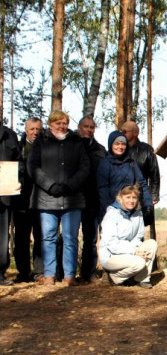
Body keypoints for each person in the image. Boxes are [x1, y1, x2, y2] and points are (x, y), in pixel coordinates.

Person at [28, 111, 90, 286]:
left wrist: (70, 185)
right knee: (48, 238)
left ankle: (69, 275)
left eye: (65, 123)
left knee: (70, 238)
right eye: (58, 123)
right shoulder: (41, 142)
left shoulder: (76, 142)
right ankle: (49, 274)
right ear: (50, 125)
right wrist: (50, 186)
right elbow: (32, 167)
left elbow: (85, 167)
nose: (62, 126)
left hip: (73, 199)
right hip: (46, 199)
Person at [99, 185, 157, 288]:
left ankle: (142, 279)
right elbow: (111, 243)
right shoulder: (112, 214)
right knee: (139, 262)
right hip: (111, 255)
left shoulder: (138, 214)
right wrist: (134, 251)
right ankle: (115, 277)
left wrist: (137, 250)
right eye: (128, 197)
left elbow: (138, 236)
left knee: (152, 244)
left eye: (134, 197)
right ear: (120, 198)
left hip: (130, 251)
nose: (131, 201)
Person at [96, 131, 152, 222]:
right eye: (117, 144)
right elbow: (102, 189)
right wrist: (109, 209)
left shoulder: (131, 163)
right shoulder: (105, 163)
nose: (120, 147)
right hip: (111, 210)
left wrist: (148, 204)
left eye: (123, 144)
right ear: (111, 145)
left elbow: (142, 183)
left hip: (130, 208)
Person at [13, 117, 43, 283]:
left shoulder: (46, 147)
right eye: (32, 129)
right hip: (22, 199)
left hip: (41, 199)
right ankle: (23, 272)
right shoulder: (18, 149)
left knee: (41, 236)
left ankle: (39, 272)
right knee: (22, 237)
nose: (35, 132)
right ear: (26, 130)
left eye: (38, 129)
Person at [77, 116, 106, 282]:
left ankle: (89, 272)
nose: (89, 130)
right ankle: (64, 272)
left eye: (92, 127)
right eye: (86, 126)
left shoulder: (100, 150)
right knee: (69, 238)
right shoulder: (70, 146)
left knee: (91, 239)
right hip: (72, 199)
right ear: (79, 127)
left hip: (93, 200)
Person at [121, 121, 160, 207]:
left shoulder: (147, 150)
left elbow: (154, 174)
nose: (122, 134)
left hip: (142, 195)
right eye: (121, 131)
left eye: (125, 131)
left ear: (135, 133)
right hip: (122, 196)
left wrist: (153, 196)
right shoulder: (120, 149)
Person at [0, 123, 20, 286]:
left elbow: (18, 162)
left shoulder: (10, 135)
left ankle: (0, 272)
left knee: (1, 236)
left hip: (4, 195)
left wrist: (17, 180)